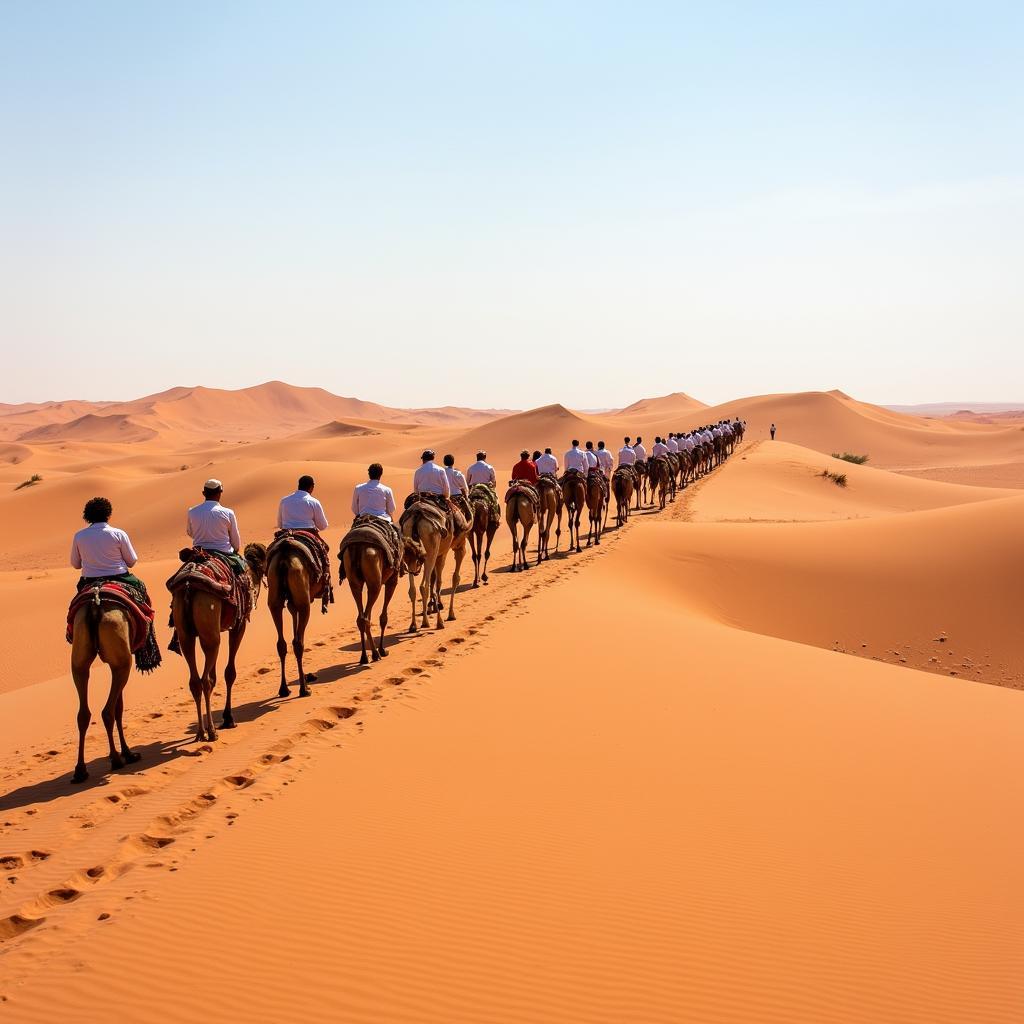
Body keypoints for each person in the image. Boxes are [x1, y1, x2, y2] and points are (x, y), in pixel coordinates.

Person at [71, 496, 148, 598]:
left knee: (74, 606)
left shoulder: (79, 536)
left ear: (87, 515)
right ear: (108, 514)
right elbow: (132, 561)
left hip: (89, 580)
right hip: (119, 578)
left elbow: (76, 565)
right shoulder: (119, 534)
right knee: (141, 590)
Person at [187, 479, 246, 573]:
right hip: (223, 553)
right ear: (219, 494)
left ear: (203, 493)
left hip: (199, 554)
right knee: (243, 573)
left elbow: (190, 533)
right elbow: (235, 541)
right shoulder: (228, 513)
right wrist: (235, 549)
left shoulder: (192, 512)